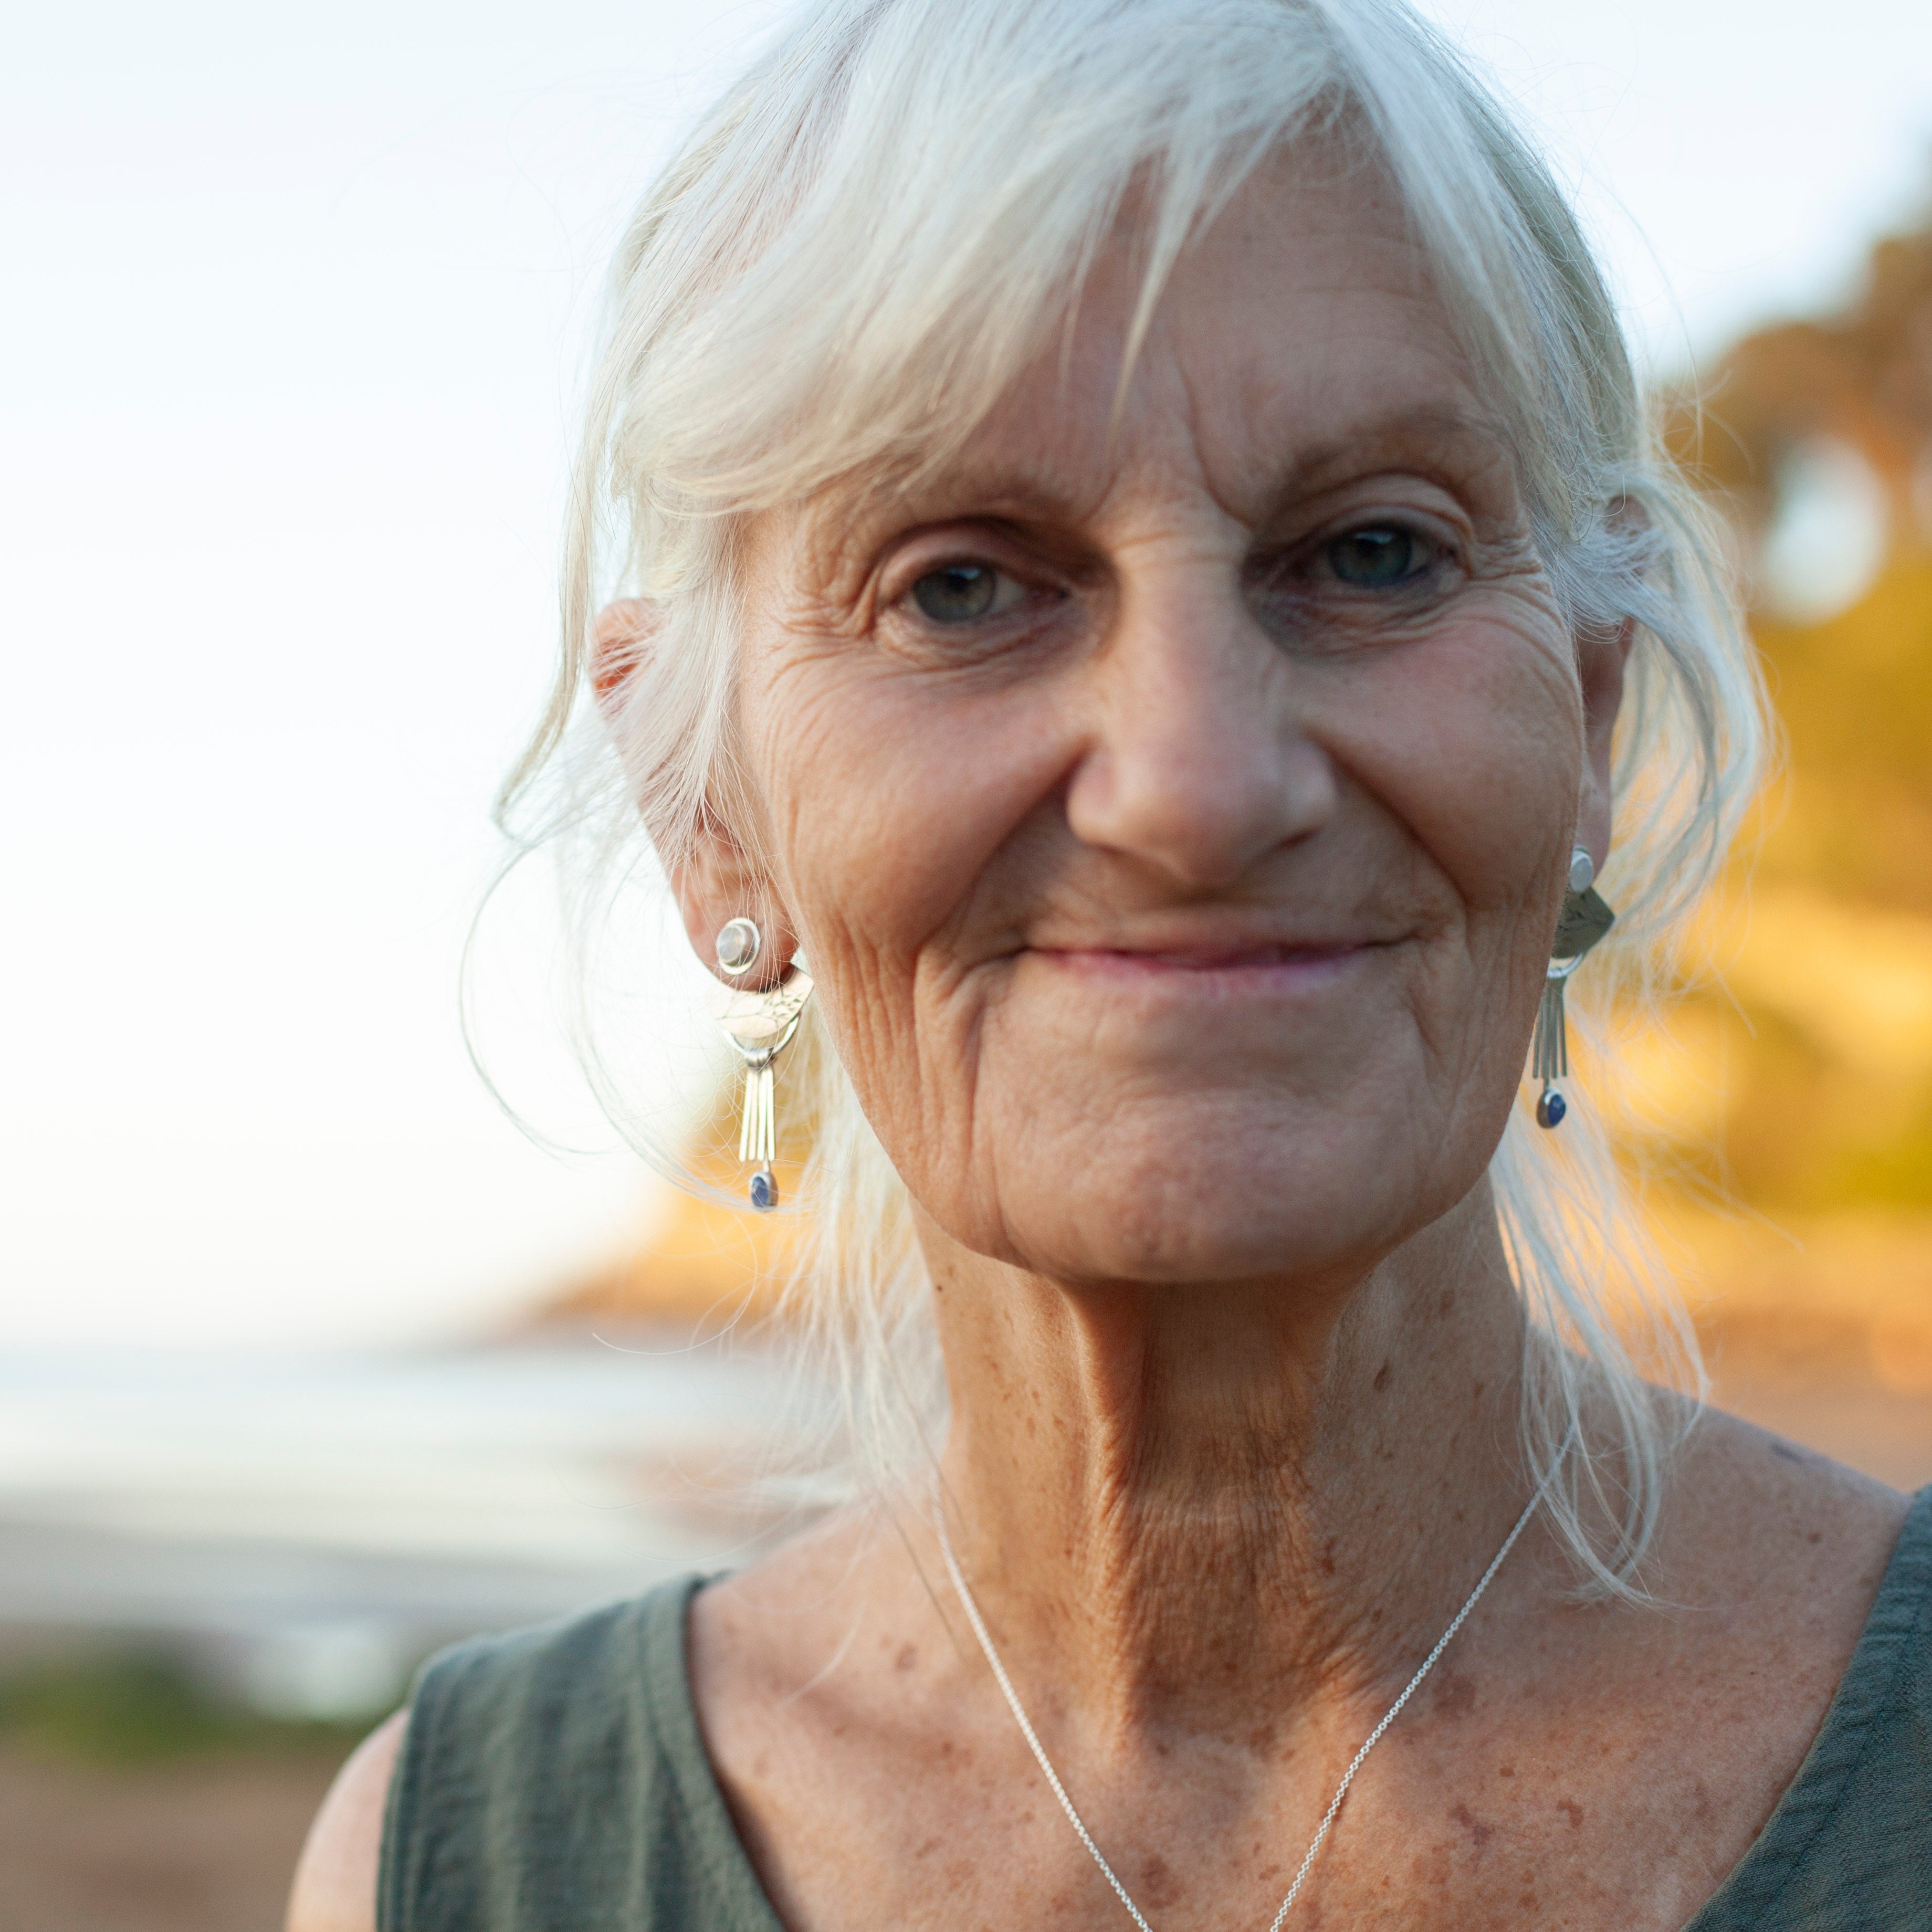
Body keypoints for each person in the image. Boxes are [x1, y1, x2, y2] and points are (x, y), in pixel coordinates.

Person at [287, 0, 1929, 1926]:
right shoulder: (473, 1862)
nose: (1197, 785)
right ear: (710, 817)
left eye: (1375, 554)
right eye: (961, 585)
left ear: (1584, 721)